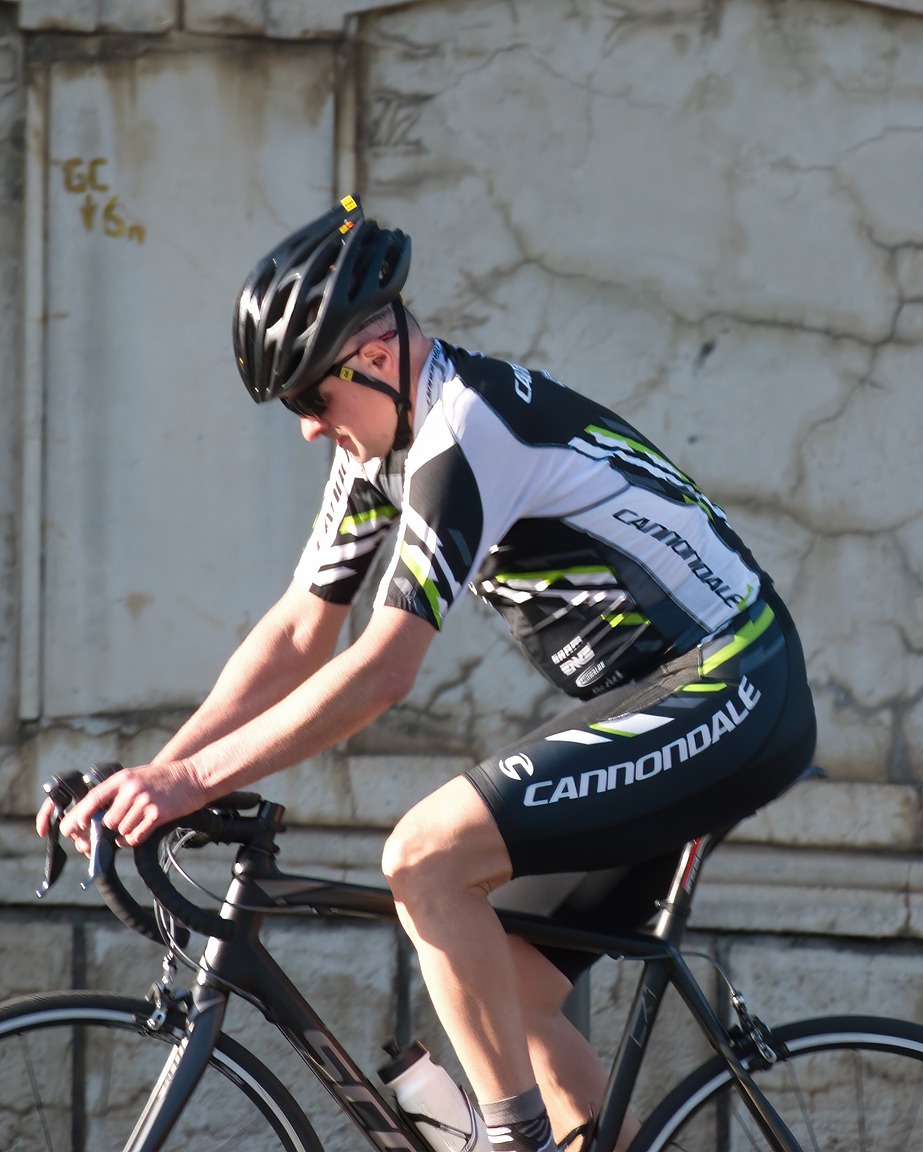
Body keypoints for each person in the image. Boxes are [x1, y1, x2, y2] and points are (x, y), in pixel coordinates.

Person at [39, 194, 817, 1152]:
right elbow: (298, 632)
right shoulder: (390, 447)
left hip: (732, 683)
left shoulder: (465, 434)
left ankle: (507, 1139)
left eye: (310, 399)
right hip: (663, 698)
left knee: (422, 859)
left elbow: (381, 671)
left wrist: (193, 781)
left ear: (371, 359)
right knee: (506, 989)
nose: (308, 429)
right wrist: (152, 779)